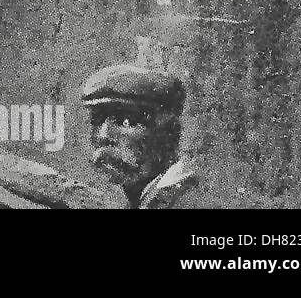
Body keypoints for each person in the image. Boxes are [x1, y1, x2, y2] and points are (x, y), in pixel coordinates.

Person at [81, 63, 207, 209]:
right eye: (97, 121)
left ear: (170, 135)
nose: (103, 136)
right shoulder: (140, 199)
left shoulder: (189, 199)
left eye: (126, 122)